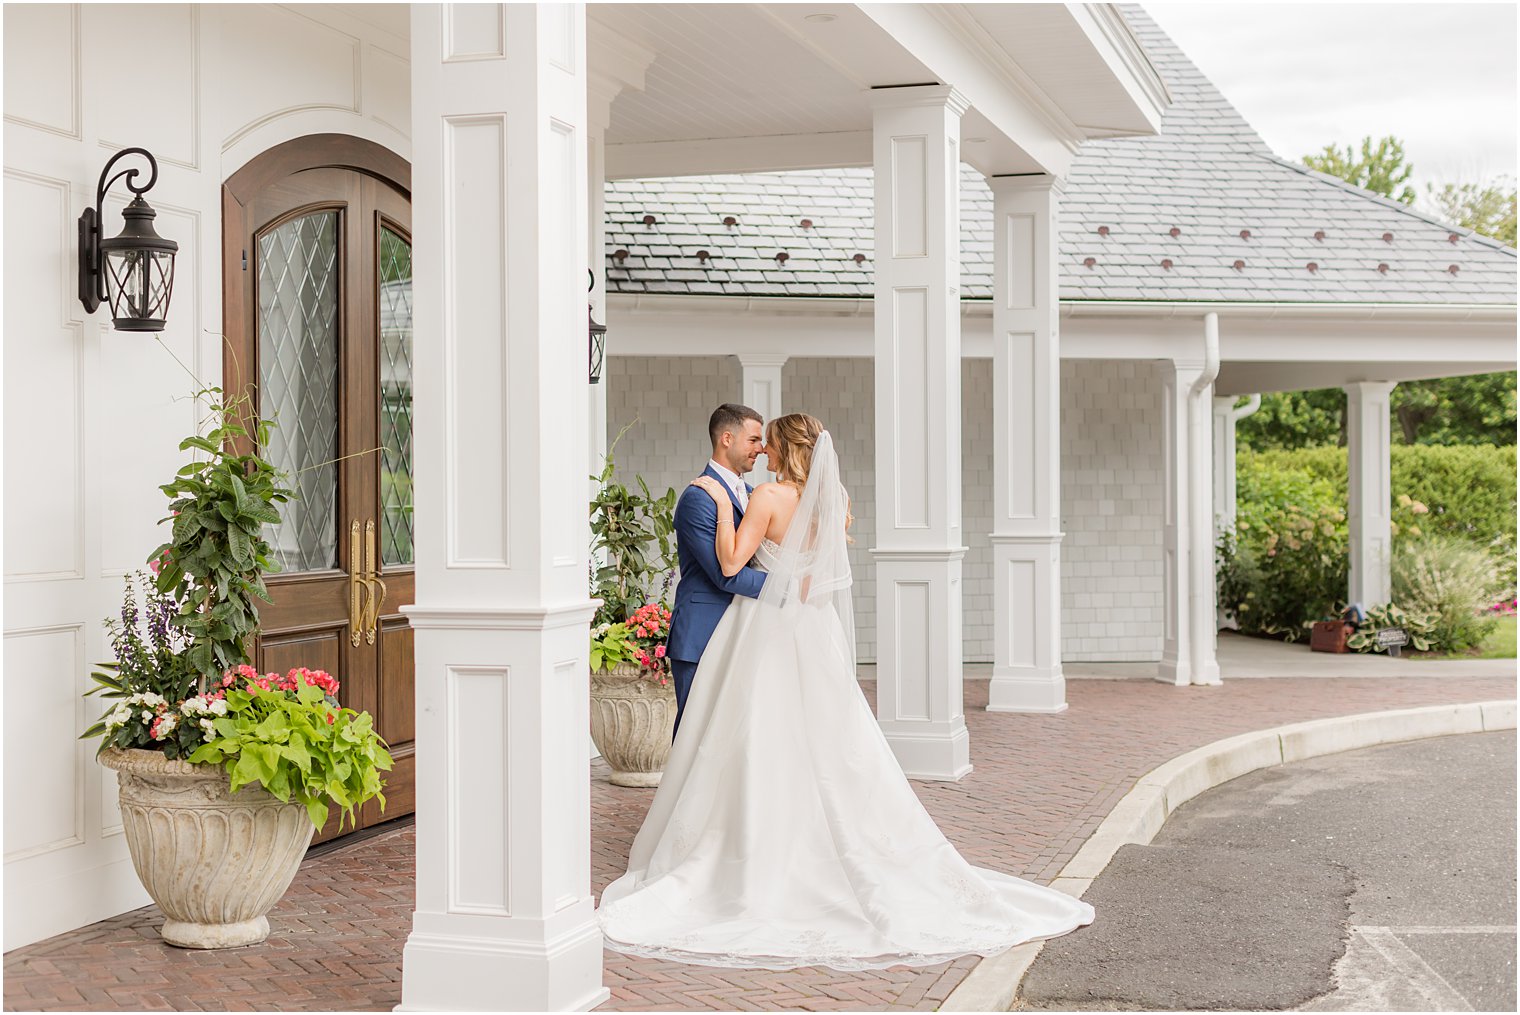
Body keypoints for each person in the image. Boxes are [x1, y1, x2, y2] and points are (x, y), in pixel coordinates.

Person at [597, 413, 1095, 970]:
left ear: (783, 449)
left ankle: (753, 847)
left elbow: (731, 563)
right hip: (813, 630)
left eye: (768, 442)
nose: (761, 450)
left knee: (757, 735)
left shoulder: (762, 497)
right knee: (827, 737)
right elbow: (817, 580)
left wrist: (723, 518)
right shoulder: (834, 501)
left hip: (764, 632)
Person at [666, 403, 769, 739]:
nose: (761, 448)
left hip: (741, 631)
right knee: (695, 737)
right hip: (702, 634)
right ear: (727, 438)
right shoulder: (699, 498)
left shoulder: (753, 495)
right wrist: (785, 587)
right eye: (753, 440)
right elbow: (725, 575)